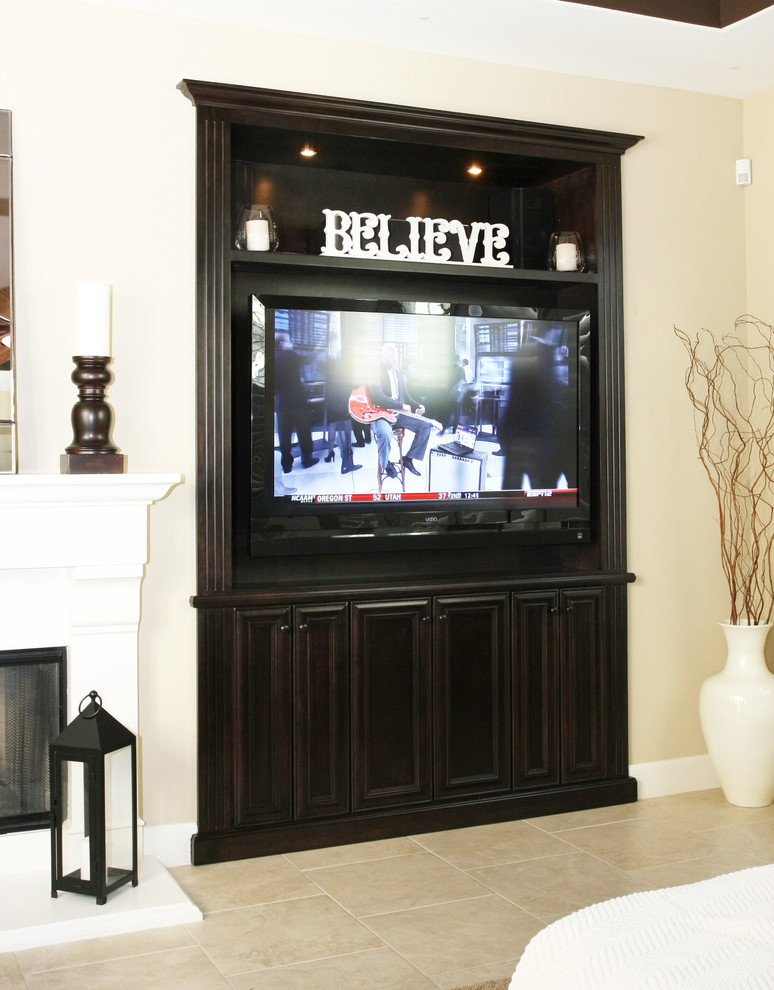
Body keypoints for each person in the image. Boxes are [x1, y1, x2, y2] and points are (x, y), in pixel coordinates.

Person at [369, 342, 432, 478]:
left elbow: (405, 396)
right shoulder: (374, 371)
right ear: (383, 355)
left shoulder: (398, 372)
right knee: (385, 434)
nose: (395, 358)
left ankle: (408, 458)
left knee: (426, 426)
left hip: (398, 414)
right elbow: (377, 397)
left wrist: (417, 406)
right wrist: (400, 405)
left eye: (396, 355)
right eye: (392, 355)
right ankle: (386, 464)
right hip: (381, 414)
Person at [274, 331, 318, 473]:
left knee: (284, 436)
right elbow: (308, 359)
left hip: (281, 403)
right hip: (297, 401)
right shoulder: (291, 355)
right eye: (288, 340)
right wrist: (316, 348)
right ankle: (307, 460)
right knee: (304, 431)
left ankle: (286, 465)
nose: (291, 343)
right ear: (282, 343)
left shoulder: (272, 357)